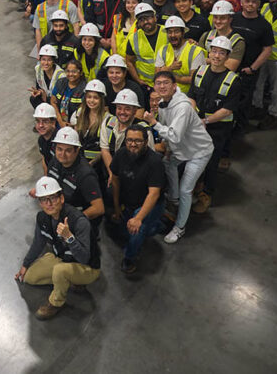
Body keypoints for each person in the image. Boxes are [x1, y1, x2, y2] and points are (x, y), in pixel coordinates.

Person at [142, 71, 214, 244]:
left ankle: (179, 227)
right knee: (167, 162)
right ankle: (174, 199)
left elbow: (174, 135)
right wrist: (167, 148)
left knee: (185, 190)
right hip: (182, 149)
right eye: (158, 83)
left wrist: (154, 123)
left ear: (175, 86)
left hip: (199, 151)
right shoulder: (162, 104)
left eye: (166, 83)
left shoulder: (182, 107)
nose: (161, 86)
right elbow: (169, 132)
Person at [15, 175, 100, 320]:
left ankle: (56, 302)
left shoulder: (78, 221)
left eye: (53, 198)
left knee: (60, 271)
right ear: (40, 203)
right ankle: (68, 280)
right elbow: (38, 242)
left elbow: (84, 258)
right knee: (29, 277)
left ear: (61, 198)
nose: (49, 204)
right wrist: (25, 264)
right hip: (62, 258)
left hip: (87, 267)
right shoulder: (42, 218)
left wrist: (69, 237)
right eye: (43, 200)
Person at [189, 35, 243, 213]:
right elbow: (192, 97)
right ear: (209, 53)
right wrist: (196, 118)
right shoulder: (200, 71)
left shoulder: (233, 80)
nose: (217, 56)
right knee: (193, 157)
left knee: (211, 161)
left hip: (217, 129)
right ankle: (196, 183)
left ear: (227, 56)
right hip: (197, 124)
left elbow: (227, 110)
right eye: (214, 51)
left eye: (222, 53)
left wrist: (205, 121)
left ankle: (206, 194)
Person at [109, 125, 166, 274]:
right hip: (129, 200)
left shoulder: (155, 162)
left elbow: (153, 194)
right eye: (129, 140)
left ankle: (130, 257)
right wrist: (116, 207)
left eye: (137, 141)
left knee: (135, 230)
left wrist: (138, 218)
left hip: (150, 203)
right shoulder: (120, 155)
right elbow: (115, 180)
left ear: (146, 142)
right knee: (125, 230)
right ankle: (155, 226)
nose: (133, 144)